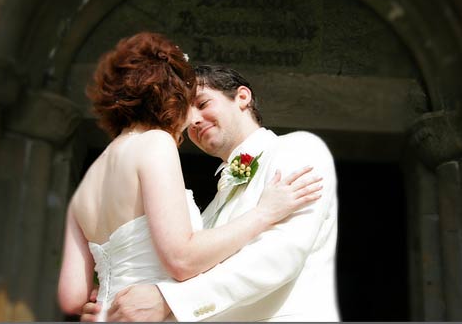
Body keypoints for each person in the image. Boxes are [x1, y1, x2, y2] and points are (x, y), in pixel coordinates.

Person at [57, 33, 324, 321]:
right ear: (172, 95)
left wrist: (104, 301)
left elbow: (72, 298)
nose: (192, 118)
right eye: (189, 100)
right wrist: (264, 213)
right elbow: (182, 259)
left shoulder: (86, 185)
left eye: (202, 103)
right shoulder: (155, 143)